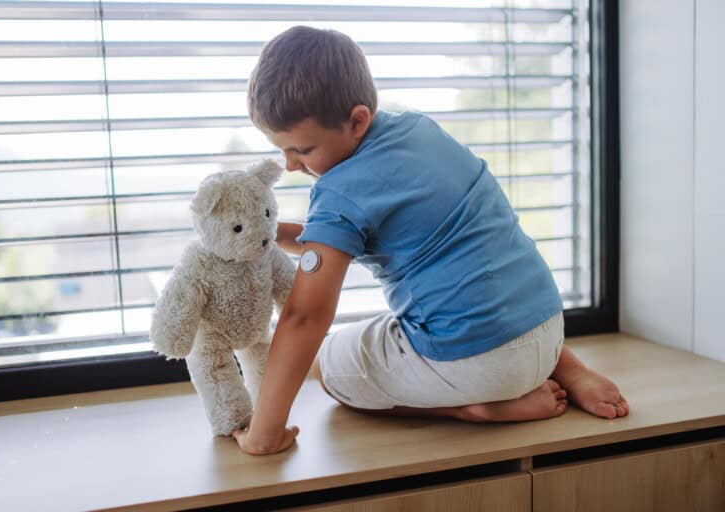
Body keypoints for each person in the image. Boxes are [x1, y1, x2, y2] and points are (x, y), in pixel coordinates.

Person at [232, 26, 629, 456]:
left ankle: (471, 410)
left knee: (330, 369)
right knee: (486, 295)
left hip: (479, 365)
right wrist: (269, 237)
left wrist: (264, 434)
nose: (290, 165)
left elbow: (304, 318)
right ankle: (569, 369)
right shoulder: (418, 131)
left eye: (302, 150)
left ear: (357, 121)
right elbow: (332, 238)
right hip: (546, 325)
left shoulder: (339, 191)